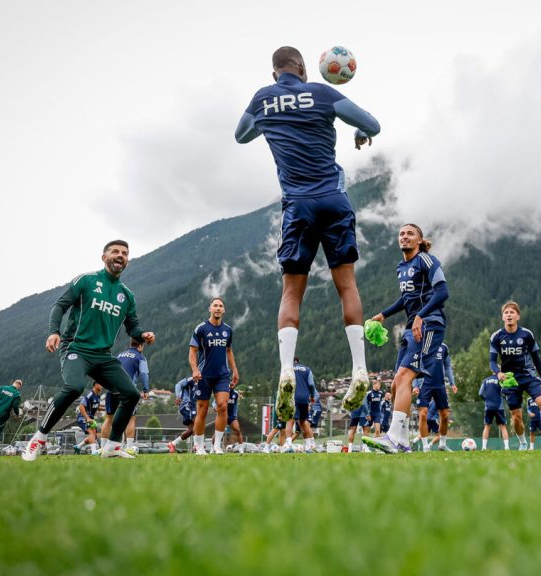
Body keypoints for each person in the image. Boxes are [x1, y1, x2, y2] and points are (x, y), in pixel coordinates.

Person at [235, 46, 381, 421]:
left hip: (297, 205)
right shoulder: (322, 92)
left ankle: (287, 369)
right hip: (334, 200)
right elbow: (372, 124)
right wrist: (361, 133)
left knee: (291, 292)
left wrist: (271, 119)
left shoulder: (263, 99)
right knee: (347, 285)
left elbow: (241, 135)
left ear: (274, 73)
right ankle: (360, 368)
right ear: (303, 68)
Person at [23, 240, 156, 461]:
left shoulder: (127, 295)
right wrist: (54, 332)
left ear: (127, 261)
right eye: (115, 251)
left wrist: (143, 335)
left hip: (103, 355)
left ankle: (112, 446)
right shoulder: (86, 281)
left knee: (131, 394)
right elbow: (60, 305)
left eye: (125, 253)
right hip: (75, 347)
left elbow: (132, 326)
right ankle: (39, 438)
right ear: (104, 257)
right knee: (74, 387)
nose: (120, 255)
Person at [364, 224, 449, 454]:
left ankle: (392, 438)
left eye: (410, 233)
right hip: (412, 328)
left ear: (420, 240)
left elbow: (443, 291)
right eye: (401, 233)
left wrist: (421, 315)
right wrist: (383, 314)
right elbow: (406, 299)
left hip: (429, 325)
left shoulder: (426, 260)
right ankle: (402, 441)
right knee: (396, 384)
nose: (404, 236)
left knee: (403, 377)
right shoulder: (401, 267)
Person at [489, 302, 541, 450]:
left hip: (528, 375)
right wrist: (498, 372)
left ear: (518, 316)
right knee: (516, 416)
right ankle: (523, 443)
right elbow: (492, 361)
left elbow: (536, 358)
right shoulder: (496, 337)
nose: (509, 315)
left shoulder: (526, 334)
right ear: (502, 317)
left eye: (512, 312)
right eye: (506, 313)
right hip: (510, 380)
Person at [189, 297, 239, 455]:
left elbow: (229, 351)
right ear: (210, 309)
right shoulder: (201, 328)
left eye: (220, 306)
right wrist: (194, 369)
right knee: (202, 410)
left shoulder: (228, 330)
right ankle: (199, 446)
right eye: (215, 305)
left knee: (223, 406)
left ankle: (216, 445)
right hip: (203, 375)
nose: (218, 308)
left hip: (222, 376)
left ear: (224, 310)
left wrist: (235, 370)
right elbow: (192, 351)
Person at [101, 338, 151, 455]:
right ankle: (129, 447)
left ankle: (103, 448)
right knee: (130, 418)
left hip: (112, 388)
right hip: (127, 390)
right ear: (140, 346)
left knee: (109, 418)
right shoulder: (140, 357)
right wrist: (146, 389)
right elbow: (144, 373)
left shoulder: (120, 355)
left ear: (130, 344)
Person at [284, 358, 318, 452]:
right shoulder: (307, 369)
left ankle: (289, 445)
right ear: (298, 361)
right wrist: (312, 396)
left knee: (290, 420)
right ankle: (308, 447)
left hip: (293, 398)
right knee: (303, 423)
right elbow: (311, 385)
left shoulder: (288, 369)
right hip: (304, 399)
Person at [0, 379, 22, 455]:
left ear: (13, 383)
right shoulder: (16, 394)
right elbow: (15, 406)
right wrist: (17, 414)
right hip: (3, 415)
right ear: (19, 385)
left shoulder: (2, 388)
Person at [478, 374, 510, 451]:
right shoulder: (501, 380)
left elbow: (480, 393)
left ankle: (484, 447)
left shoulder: (485, 380)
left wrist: (487, 400)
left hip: (488, 406)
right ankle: (506, 447)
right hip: (499, 406)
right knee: (503, 427)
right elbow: (506, 392)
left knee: (487, 427)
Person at [73, 383, 103, 455]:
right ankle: (94, 452)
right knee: (91, 433)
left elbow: (97, 406)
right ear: (95, 385)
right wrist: (87, 418)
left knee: (94, 436)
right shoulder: (90, 395)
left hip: (90, 418)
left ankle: (78, 446)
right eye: (100, 384)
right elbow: (81, 406)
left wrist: (108, 409)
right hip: (83, 417)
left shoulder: (98, 396)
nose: (102, 386)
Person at [168, 377, 196, 453]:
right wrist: (178, 396)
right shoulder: (191, 379)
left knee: (191, 430)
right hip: (186, 404)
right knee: (197, 422)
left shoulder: (205, 381)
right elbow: (178, 385)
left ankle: (173, 443)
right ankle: (197, 445)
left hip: (193, 406)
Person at [225, 382, 245, 450]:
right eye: (230, 384)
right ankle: (213, 447)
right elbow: (215, 403)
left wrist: (235, 415)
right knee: (218, 432)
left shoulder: (235, 394)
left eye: (232, 384)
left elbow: (236, 403)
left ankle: (241, 448)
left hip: (232, 416)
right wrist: (215, 408)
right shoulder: (223, 392)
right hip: (223, 415)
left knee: (237, 430)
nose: (231, 385)